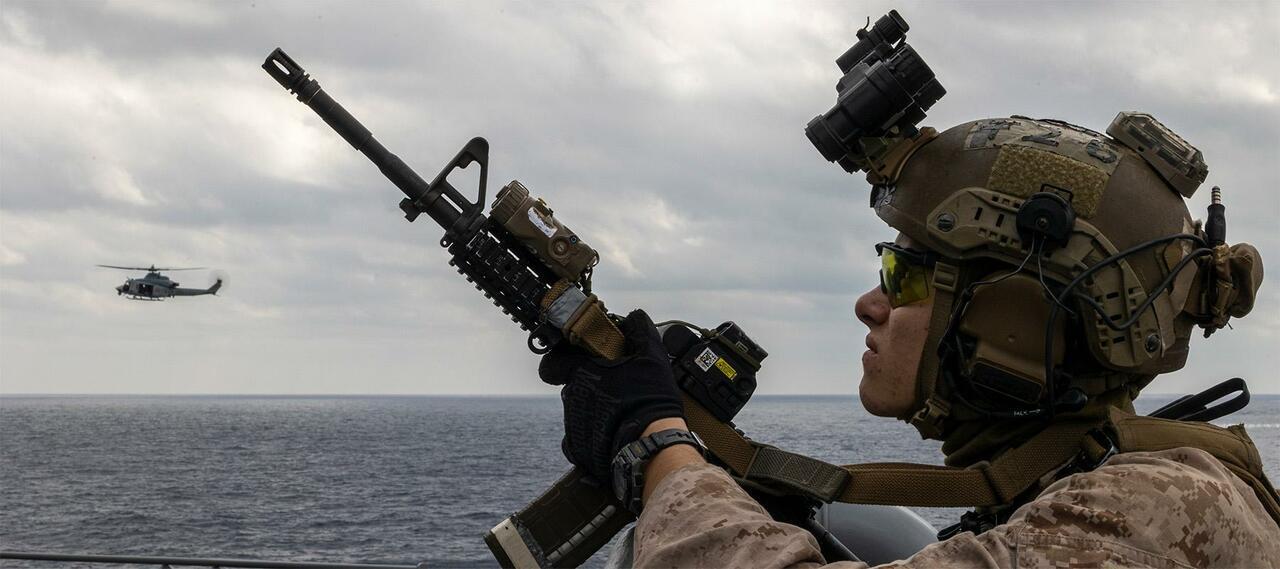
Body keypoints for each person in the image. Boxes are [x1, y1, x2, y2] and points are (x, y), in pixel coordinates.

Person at [538, 113, 1279, 567]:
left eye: (905, 277)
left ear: (1013, 322)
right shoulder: (1092, 486)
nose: (870, 305)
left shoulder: (1151, 514)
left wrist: (657, 447)